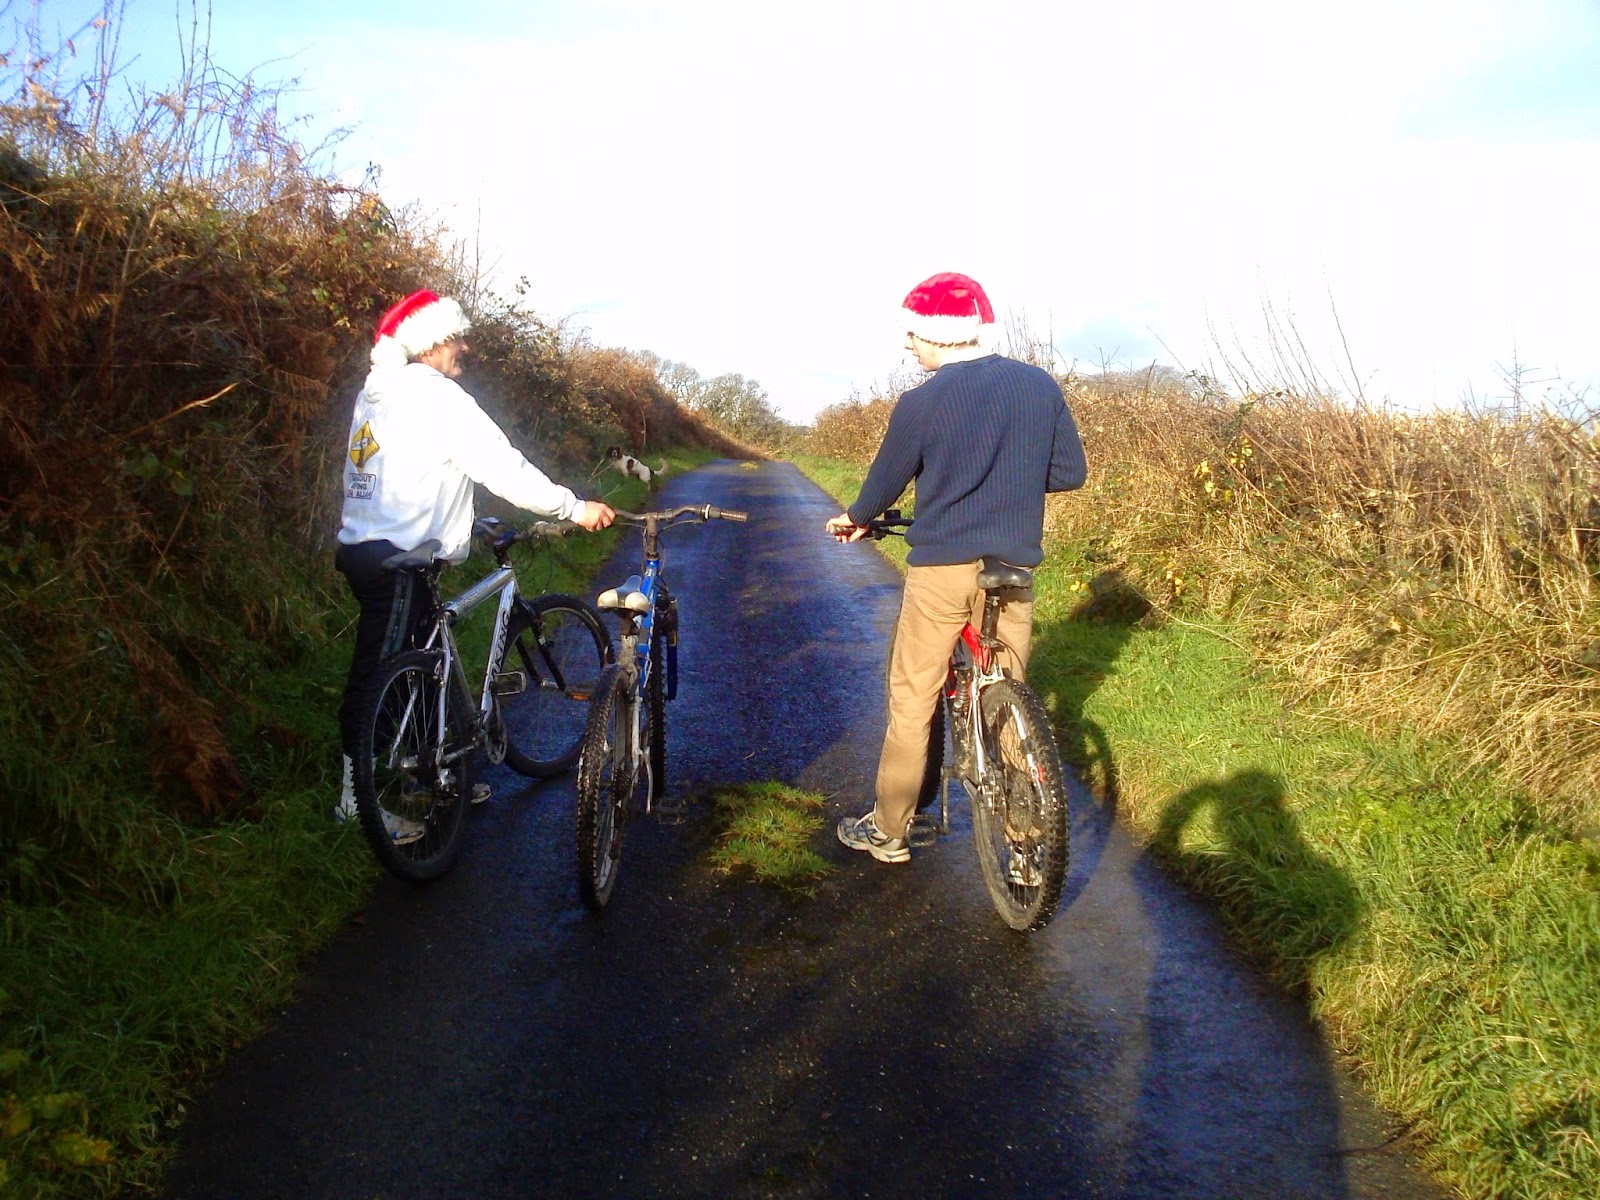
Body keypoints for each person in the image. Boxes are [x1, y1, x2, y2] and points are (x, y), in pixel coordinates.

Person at [825, 272, 1087, 864]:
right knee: (1010, 696)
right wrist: (1012, 480)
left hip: (943, 570)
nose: (907, 345)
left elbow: (883, 483)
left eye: (912, 334)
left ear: (935, 335)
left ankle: (889, 829)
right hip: (1012, 568)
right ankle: (1024, 844)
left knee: (913, 697)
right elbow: (1070, 472)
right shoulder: (1038, 386)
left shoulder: (924, 401)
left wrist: (857, 518)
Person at [334, 288, 615, 834]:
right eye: (457, 337)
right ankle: (356, 803)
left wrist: (460, 519)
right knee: (379, 679)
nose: (465, 347)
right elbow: (502, 467)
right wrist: (573, 508)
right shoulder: (436, 396)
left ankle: (432, 776)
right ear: (431, 341)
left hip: (368, 548)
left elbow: (405, 471)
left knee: (416, 668)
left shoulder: (378, 393)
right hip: (399, 558)